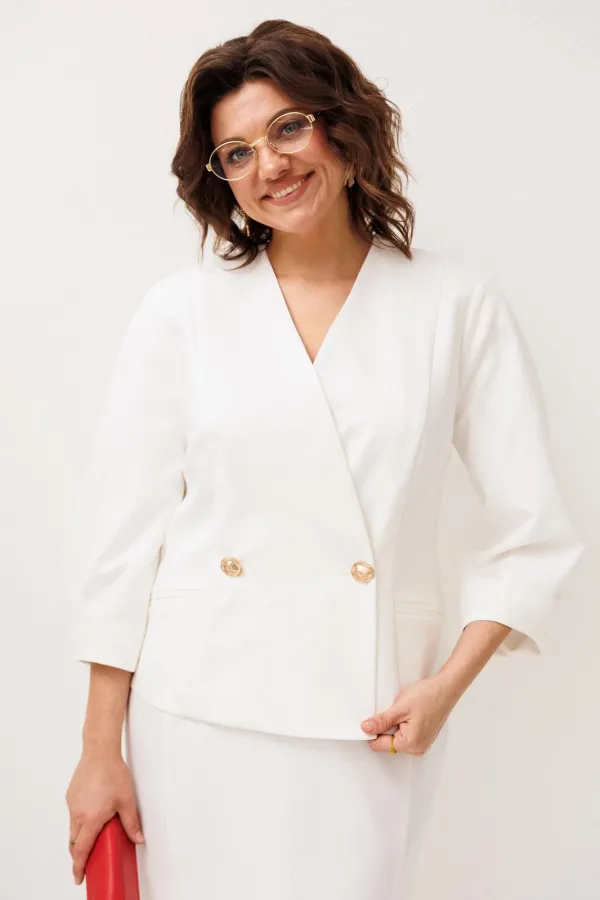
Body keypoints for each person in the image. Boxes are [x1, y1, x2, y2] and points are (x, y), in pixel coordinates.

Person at [64, 18, 585, 900]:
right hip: (194, 716)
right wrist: (96, 751)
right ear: (220, 180)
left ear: (343, 130)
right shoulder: (181, 313)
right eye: (236, 152)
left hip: (369, 713)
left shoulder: (455, 306)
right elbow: (120, 545)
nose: (269, 164)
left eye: (288, 127)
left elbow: (532, 532)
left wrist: (446, 687)